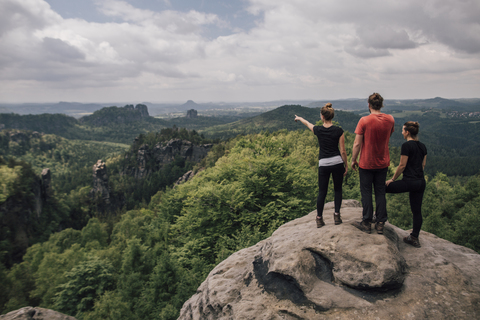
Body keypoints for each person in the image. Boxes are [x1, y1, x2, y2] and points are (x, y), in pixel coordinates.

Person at [294, 103, 348, 228]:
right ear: (331, 116)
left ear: (322, 117)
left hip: (323, 163)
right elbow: (343, 151)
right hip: (337, 163)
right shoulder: (339, 131)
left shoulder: (318, 130)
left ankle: (319, 218)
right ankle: (337, 216)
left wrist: (299, 118)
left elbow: (307, 123)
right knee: (338, 190)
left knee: (322, 192)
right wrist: (345, 165)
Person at [351, 93, 394, 234]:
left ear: (368, 105)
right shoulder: (390, 120)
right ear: (381, 105)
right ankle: (381, 223)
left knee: (366, 193)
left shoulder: (364, 120)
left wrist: (353, 160)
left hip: (366, 163)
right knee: (380, 192)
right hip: (383, 162)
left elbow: (357, 143)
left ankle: (367, 222)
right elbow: (388, 135)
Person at [386, 121, 427, 247]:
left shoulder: (406, 146)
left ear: (407, 132)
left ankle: (379, 217)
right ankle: (414, 237)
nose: (402, 132)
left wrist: (392, 179)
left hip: (409, 181)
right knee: (417, 211)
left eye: (403, 130)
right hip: (420, 182)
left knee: (382, 188)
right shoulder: (423, 146)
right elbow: (423, 165)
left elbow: (402, 165)